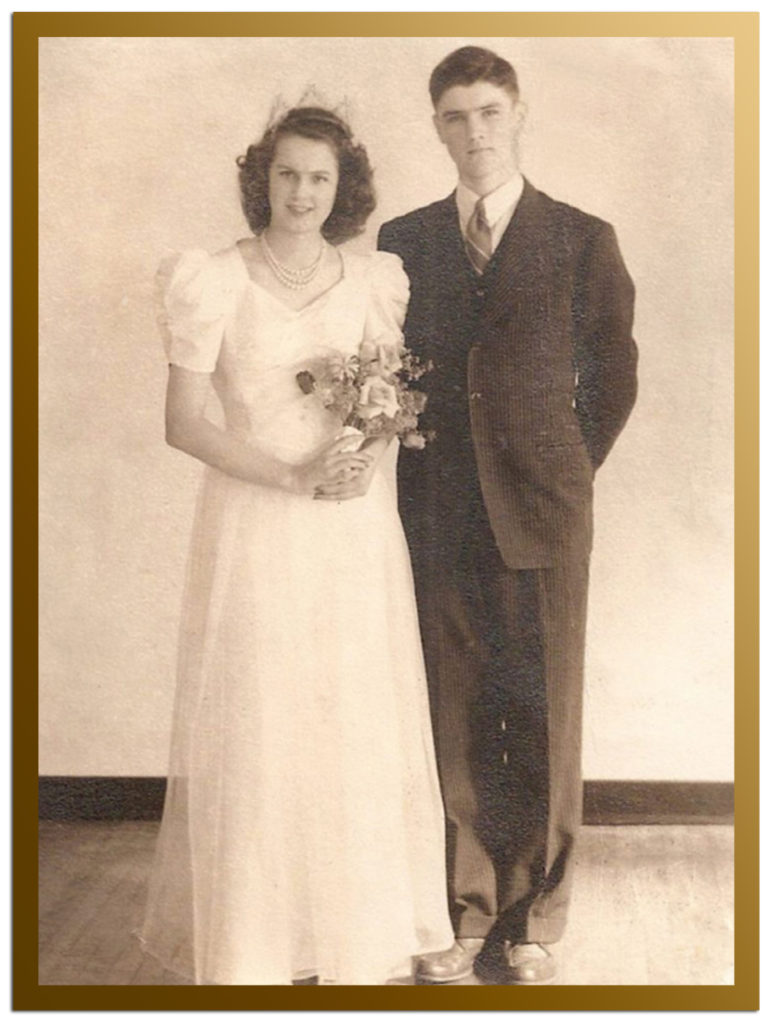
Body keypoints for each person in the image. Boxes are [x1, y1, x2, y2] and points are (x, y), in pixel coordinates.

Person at [138, 105, 454, 986]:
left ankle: (349, 935)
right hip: (256, 526)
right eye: (286, 175)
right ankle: (260, 947)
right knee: (264, 720)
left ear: (341, 186)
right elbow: (182, 422)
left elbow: (388, 403)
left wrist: (360, 459)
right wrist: (289, 477)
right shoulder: (210, 279)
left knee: (348, 718)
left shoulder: (374, 279)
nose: (302, 193)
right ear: (261, 179)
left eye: (319, 177)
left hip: (350, 533)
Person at [378, 46, 638, 985]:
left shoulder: (581, 236)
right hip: (437, 512)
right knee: (450, 713)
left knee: (542, 713)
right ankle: (463, 913)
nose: (474, 133)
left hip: (545, 514)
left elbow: (613, 378)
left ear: (518, 114)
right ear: (436, 126)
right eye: (455, 116)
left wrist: (559, 469)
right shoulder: (403, 241)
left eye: (489, 112)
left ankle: (533, 923)